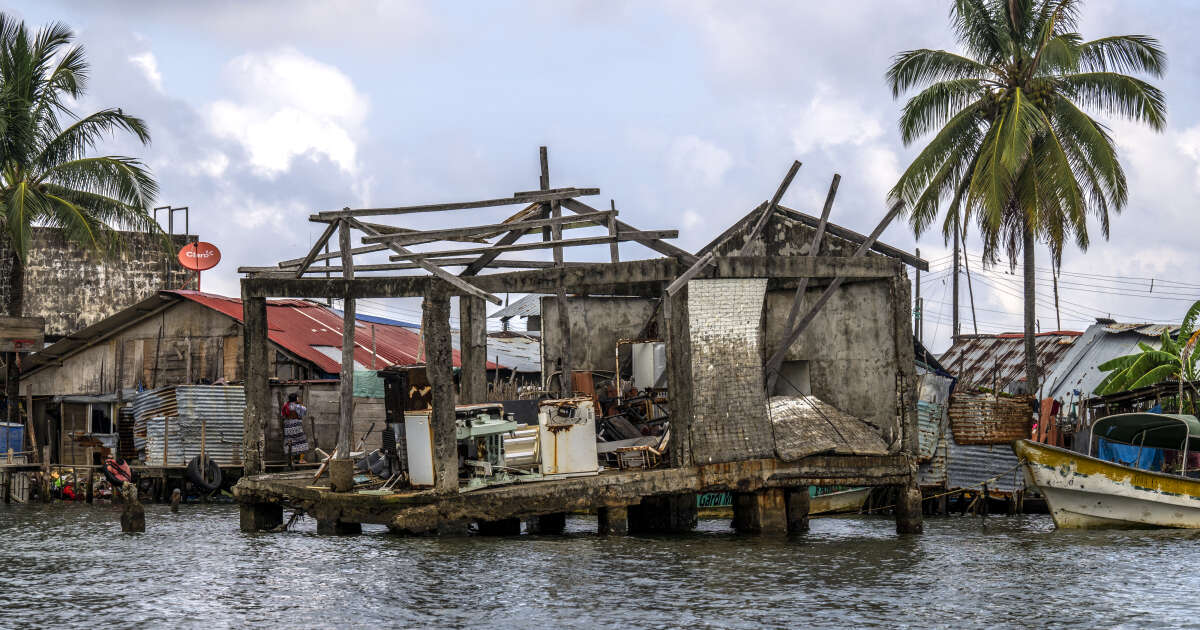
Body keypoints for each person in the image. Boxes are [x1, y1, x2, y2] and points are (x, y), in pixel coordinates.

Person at [281, 393, 310, 463]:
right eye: (297, 398)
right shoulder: (298, 406)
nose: (298, 399)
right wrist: (300, 404)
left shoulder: (285, 406)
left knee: (289, 442)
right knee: (302, 441)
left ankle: (291, 460)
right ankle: (301, 459)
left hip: (287, 426)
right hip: (296, 426)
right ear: (296, 399)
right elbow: (304, 411)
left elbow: (282, 415)